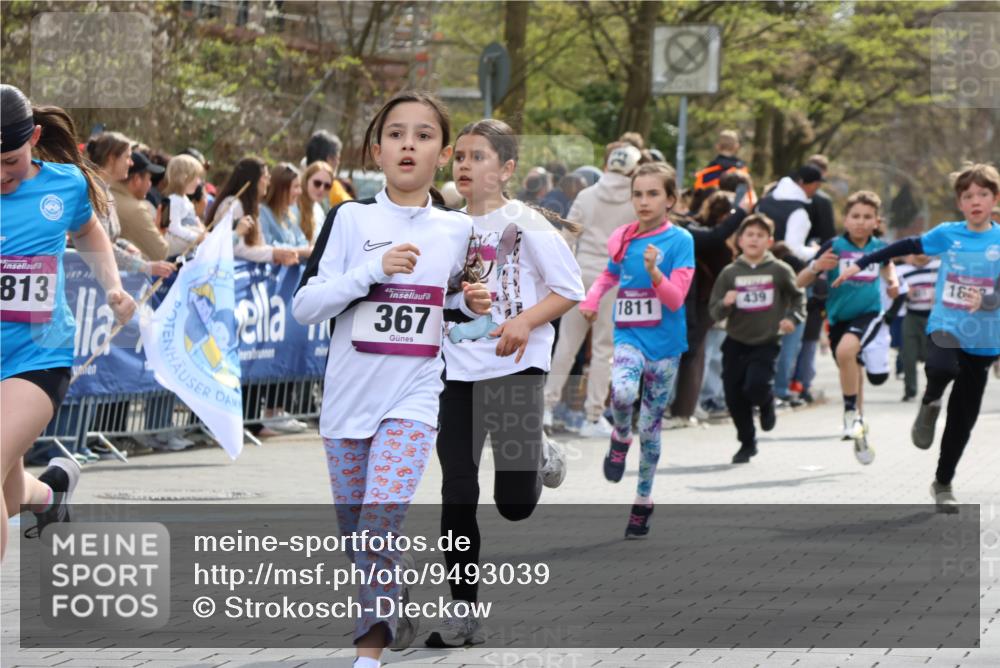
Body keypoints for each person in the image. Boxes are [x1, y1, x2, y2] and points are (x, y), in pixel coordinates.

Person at [292, 90, 490, 665]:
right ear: (376, 151)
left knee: (380, 518)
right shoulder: (350, 218)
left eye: (424, 135)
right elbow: (307, 307)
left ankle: (367, 653)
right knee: (357, 535)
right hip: (348, 399)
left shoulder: (457, 231)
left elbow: (454, 316)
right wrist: (371, 271)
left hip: (415, 393)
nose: (409, 143)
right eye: (396, 134)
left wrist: (473, 308)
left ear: (444, 154)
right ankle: (393, 595)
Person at [427, 118, 584, 647]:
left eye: (479, 157)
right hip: (460, 374)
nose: (465, 165)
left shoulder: (527, 224)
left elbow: (569, 290)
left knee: (514, 504)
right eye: (461, 156)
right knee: (457, 494)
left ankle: (537, 451)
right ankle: (464, 612)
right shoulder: (443, 225)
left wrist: (525, 321)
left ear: (507, 168)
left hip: (517, 369)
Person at [0, 84, 137, 559]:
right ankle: (51, 493)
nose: (1, 174)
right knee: (10, 489)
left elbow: (88, 231)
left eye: (10, 161)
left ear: (35, 138)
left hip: (37, 355)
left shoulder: (65, 185)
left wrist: (113, 287)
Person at [836, 163, 1000, 510]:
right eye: (968, 195)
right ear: (960, 202)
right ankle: (929, 401)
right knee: (941, 367)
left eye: (983, 194)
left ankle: (943, 483)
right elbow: (904, 245)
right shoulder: (947, 233)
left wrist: (987, 300)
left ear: (994, 200)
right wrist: (863, 262)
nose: (975, 201)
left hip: (985, 337)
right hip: (946, 323)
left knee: (962, 419)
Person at [579, 162, 694, 538]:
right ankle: (619, 436)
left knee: (652, 427)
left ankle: (643, 500)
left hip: (665, 346)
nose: (643, 202)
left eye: (653, 194)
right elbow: (611, 274)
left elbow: (676, 300)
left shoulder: (680, 241)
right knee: (624, 392)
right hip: (629, 335)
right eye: (638, 194)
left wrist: (656, 274)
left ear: (671, 200)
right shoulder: (623, 237)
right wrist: (594, 299)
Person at [544, 143, 643, 437]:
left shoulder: (587, 195)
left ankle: (546, 408)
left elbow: (568, 236)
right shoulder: (636, 200)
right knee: (604, 348)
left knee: (566, 343)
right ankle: (593, 415)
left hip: (580, 273)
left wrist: (567, 272)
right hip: (615, 276)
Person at [798, 191, 899, 465]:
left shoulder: (879, 246)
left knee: (846, 352)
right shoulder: (834, 246)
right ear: (846, 218)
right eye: (855, 216)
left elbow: (889, 270)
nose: (861, 222)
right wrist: (817, 266)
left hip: (869, 315)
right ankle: (859, 423)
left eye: (868, 217)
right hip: (838, 318)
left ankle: (848, 412)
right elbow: (800, 281)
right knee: (849, 364)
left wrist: (892, 283)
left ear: (876, 221)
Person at [708, 214, 806, 463]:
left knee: (756, 385)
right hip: (736, 341)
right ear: (739, 240)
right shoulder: (730, 273)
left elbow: (798, 297)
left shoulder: (779, 270)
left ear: (770, 241)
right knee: (733, 395)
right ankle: (747, 442)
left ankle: (766, 403)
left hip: (766, 341)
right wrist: (725, 303)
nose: (754, 239)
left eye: (760, 235)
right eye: (749, 235)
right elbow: (714, 309)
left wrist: (792, 319)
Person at [85, 133, 174, 279]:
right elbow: (98, 246)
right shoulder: (94, 193)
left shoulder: (105, 192)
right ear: (111, 158)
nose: (131, 163)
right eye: (127, 157)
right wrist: (145, 267)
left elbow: (109, 238)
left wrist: (124, 245)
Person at [207, 157, 298, 268]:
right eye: (265, 177)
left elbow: (258, 245)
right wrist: (273, 254)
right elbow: (235, 248)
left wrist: (278, 253)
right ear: (252, 180)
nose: (268, 183)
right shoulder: (232, 205)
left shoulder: (251, 207)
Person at [896, 253, 941, 401]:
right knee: (908, 355)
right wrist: (903, 293)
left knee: (931, 357)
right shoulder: (902, 270)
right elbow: (893, 291)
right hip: (912, 315)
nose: (921, 253)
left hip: (934, 317)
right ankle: (910, 390)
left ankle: (932, 390)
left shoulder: (938, 266)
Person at [113, 150, 169, 262]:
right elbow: (161, 253)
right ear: (136, 180)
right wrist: (159, 231)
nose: (150, 184)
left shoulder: (103, 194)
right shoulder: (136, 209)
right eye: (149, 179)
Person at [261, 162, 312, 261]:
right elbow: (268, 246)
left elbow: (302, 241)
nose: (300, 191)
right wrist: (302, 252)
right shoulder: (263, 213)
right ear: (282, 189)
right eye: (296, 187)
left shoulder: (290, 213)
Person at [161, 154, 206, 258]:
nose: (199, 182)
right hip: (177, 256)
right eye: (196, 177)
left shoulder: (184, 200)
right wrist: (196, 237)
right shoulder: (174, 200)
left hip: (188, 253)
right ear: (184, 178)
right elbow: (174, 227)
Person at [305, 129, 352, 211]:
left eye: (326, 186)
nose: (338, 163)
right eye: (338, 158)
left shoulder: (294, 184)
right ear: (329, 159)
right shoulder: (333, 188)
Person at [298, 160, 336, 244]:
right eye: (317, 183)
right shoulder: (294, 206)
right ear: (306, 180)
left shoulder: (318, 209)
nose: (321, 189)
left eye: (327, 186)